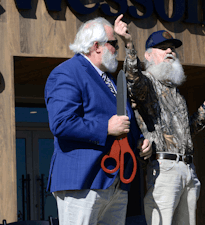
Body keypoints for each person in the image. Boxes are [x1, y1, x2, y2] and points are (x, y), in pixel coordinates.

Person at [114, 14, 205, 225]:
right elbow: (132, 79)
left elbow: (189, 130)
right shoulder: (146, 84)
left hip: (188, 169)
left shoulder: (175, 92)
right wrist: (128, 43)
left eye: (172, 48)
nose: (169, 51)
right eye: (162, 47)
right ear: (148, 56)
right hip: (163, 169)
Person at [44, 17, 152, 225]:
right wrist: (106, 127)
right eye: (114, 44)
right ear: (96, 46)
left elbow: (123, 123)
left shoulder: (110, 80)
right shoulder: (67, 72)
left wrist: (138, 141)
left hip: (116, 182)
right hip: (83, 181)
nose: (116, 50)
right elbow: (61, 123)